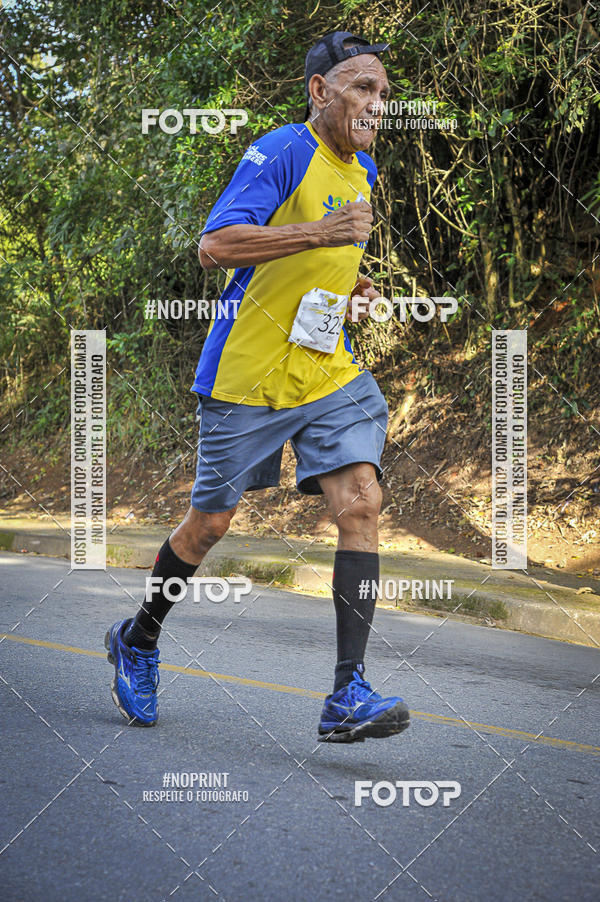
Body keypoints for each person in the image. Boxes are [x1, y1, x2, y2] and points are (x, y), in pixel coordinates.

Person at [105, 31, 410, 743]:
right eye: (362, 87)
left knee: (361, 501)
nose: (376, 102)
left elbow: (323, 265)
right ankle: (140, 638)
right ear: (319, 90)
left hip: (325, 369)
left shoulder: (361, 169)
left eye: (384, 93)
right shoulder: (282, 151)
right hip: (248, 374)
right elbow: (216, 244)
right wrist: (319, 234)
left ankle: (346, 694)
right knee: (210, 524)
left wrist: (353, 285)